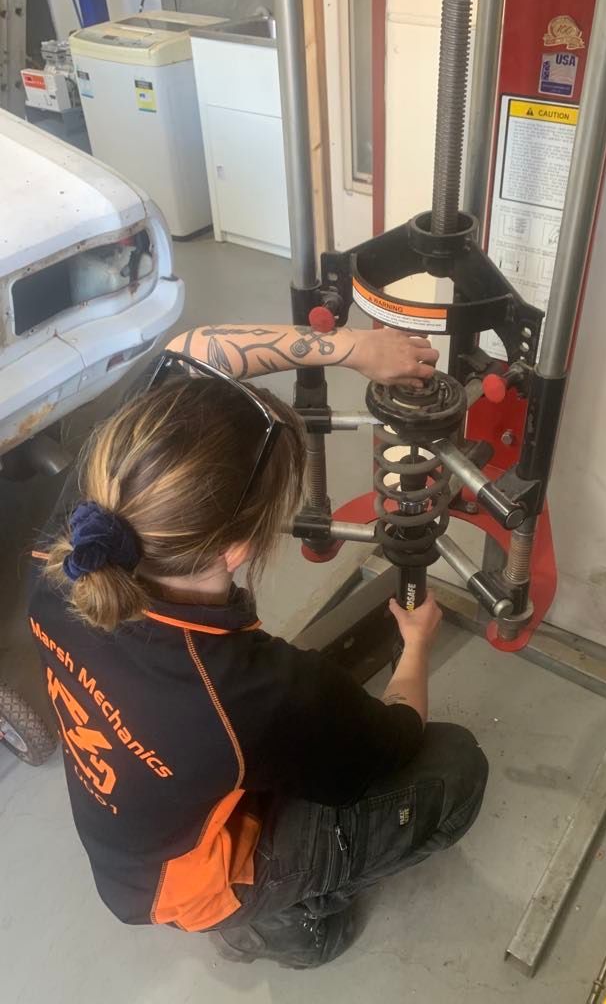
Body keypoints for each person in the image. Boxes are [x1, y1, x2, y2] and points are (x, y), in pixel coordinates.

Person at [28, 321, 489, 969]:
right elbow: (397, 740)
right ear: (239, 550)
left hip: (128, 837)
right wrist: (415, 647)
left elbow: (188, 351)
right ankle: (278, 921)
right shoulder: (251, 693)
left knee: (267, 750)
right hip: (185, 881)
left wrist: (354, 347)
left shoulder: (75, 538)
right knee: (456, 765)